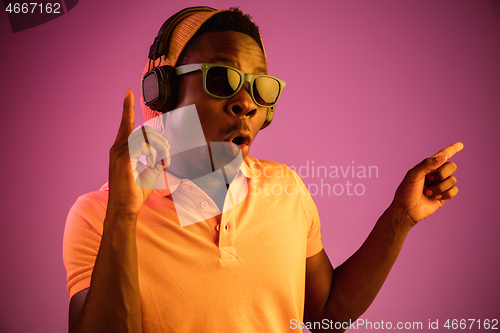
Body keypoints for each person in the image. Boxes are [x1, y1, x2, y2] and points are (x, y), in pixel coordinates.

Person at [63, 6, 463, 333]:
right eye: (222, 78)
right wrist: (124, 213)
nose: (247, 103)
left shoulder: (286, 188)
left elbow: (324, 314)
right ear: (163, 91)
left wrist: (401, 217)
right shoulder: (98, 215)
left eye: (260, 87)